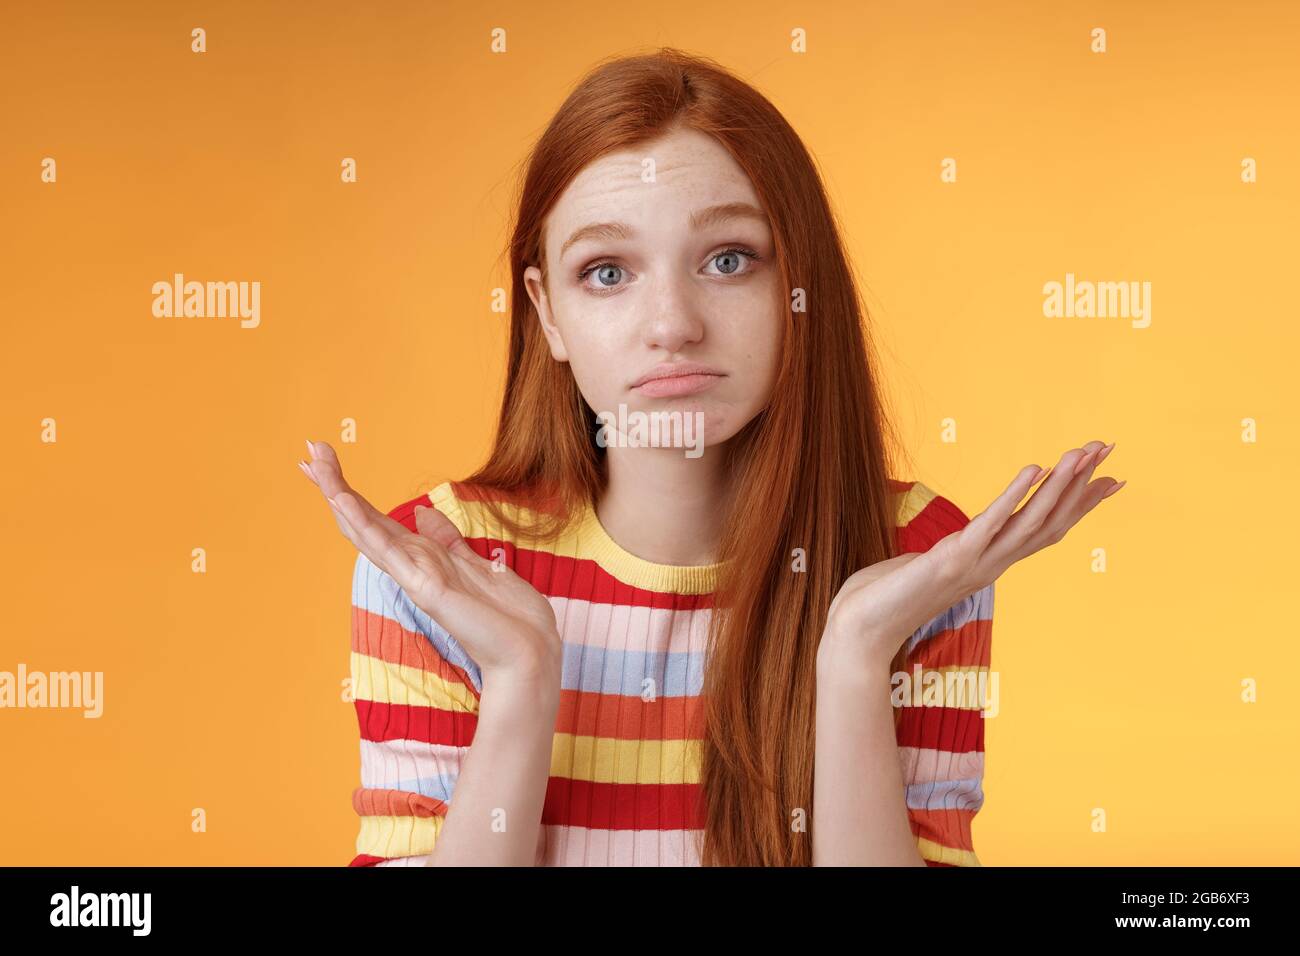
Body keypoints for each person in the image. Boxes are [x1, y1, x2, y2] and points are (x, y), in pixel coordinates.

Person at [298, 48, 1124, 867]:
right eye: (607, 271)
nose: (673, 324)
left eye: (728, 260)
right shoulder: (439, 563)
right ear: (546, 313)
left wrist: (855, 655)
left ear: (800, 285)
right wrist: (519, 679)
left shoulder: (917, 558)